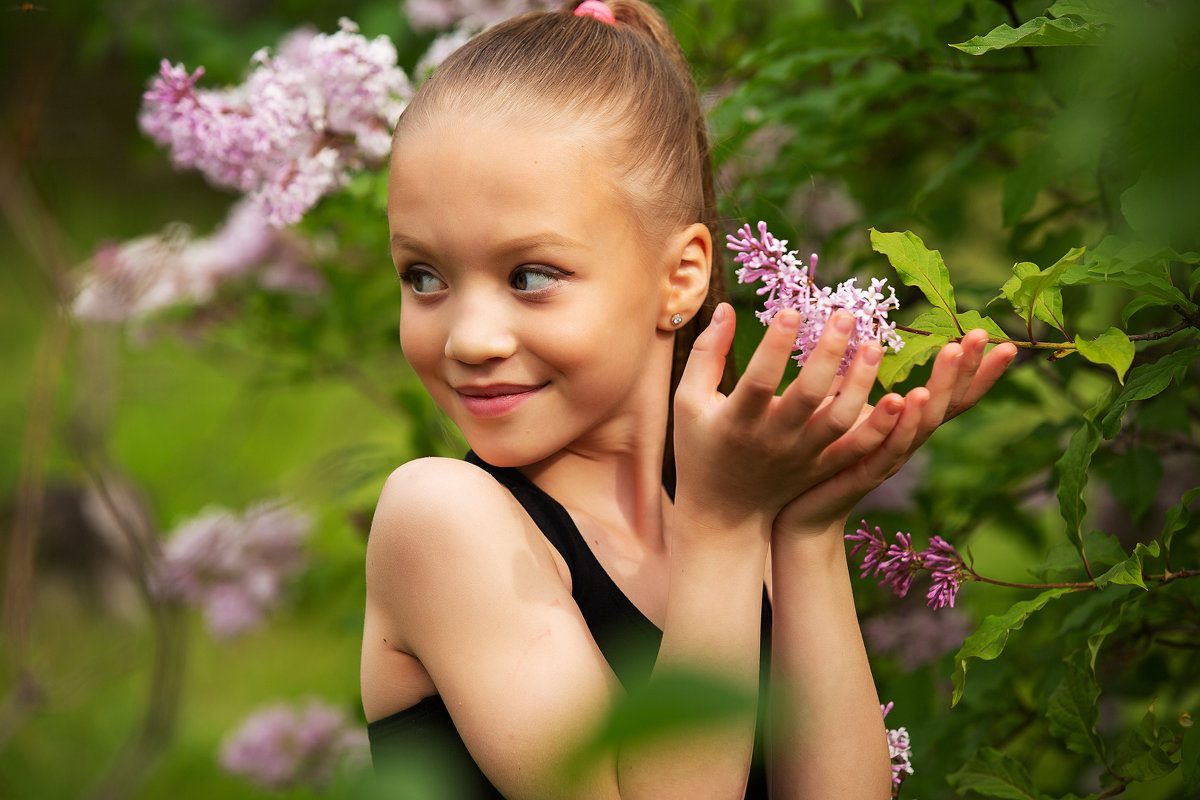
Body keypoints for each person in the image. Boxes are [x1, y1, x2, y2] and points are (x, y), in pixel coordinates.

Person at [359, 1, 1017, 797]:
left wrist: (806, 528)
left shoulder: (724, 515)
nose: (469, 338)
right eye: (423, 277)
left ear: (682, 276)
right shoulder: (443, 518)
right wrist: (728, 525)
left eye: (529, 276)